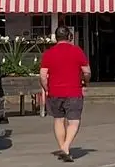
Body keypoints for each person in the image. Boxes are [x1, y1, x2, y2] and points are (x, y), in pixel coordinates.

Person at [40, 26, 91, 162]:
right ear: (69, 36)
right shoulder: (77, 51)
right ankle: (66, 147)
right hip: (73, 90)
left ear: (56, 37)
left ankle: (63, 147)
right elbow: (87, 72)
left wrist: (46, 88)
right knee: (74, 121)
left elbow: (43, 76)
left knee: (58, 119)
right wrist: (86, 82)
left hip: (54, 91)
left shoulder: (48, 53)